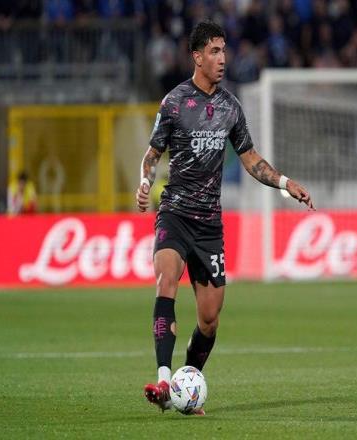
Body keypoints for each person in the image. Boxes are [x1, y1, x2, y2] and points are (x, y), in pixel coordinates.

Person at [136, 21, 314, 416]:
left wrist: (285, 183)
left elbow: (251, 160)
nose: (222, 58)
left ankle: (185, 386)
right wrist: (145, 182)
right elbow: (152, 154)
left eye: (224, 50)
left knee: (210, 320)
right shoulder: (174, 102)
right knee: (166, 280)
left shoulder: (231, 107)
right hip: (175, 214)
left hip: (209, 226)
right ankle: (164, 380)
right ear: (197, 57)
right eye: (214, 51)